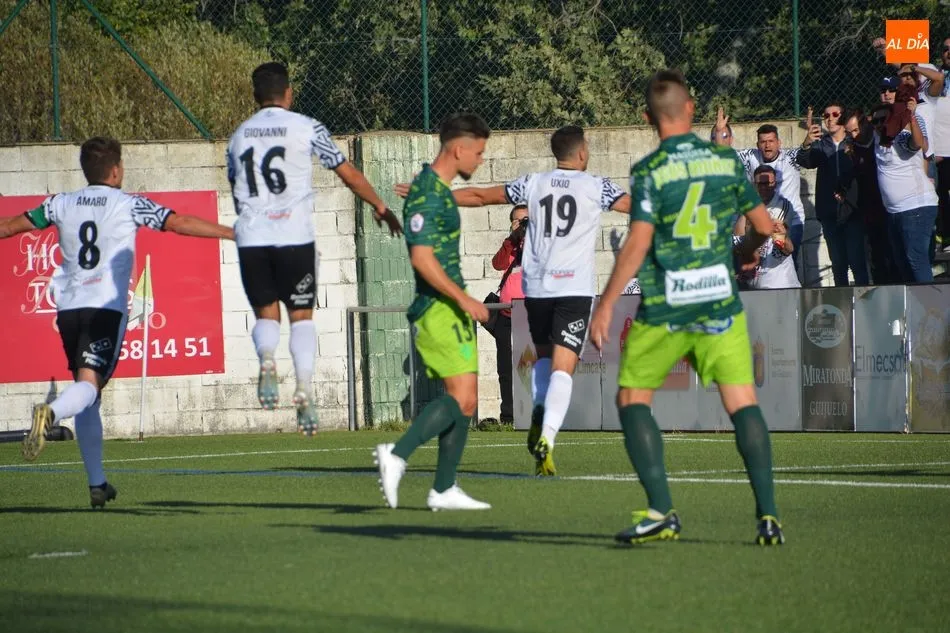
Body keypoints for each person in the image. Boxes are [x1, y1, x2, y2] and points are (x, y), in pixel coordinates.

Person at [588, 69, 784, 546]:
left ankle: (660, 509)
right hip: (719, 300)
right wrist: (746, 248)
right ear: (692, 109)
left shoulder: (651, 170)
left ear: (645, 118)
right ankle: (769, 516)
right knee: (742, 404)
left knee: (633, 400)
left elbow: (639, 240)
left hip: (667, 306)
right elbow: (762, 225)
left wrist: (608, 301)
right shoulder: (723, 162)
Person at [0, 137, 235, 507]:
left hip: (68, 311)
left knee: (88, 392)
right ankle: (51, 414)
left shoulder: (59, 203)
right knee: (88, 388)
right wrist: (231, 232)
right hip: (104, 309)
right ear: (115, 170)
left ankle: (97, 484)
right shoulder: (129, 205)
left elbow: (12, 226)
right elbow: (180, 223)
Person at [433, 125, 630, 476]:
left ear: (556, 153)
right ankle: (546, 436)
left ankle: (539, 420)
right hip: (572, 290)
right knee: (563, 368)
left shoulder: (533, 183)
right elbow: (634, 206)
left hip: (536, 289)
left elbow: (481, 197)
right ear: (582, 152)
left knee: (542, 360)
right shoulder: (595, 185)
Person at [227, 62, 401, 436]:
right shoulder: (307, 127)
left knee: (266, 316)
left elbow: (235, 187)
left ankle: (267, 358)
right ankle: (304, 385)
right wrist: (380, 205)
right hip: (295, 237)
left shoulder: (239, 136)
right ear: (288, 93)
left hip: (253, 238)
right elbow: (347, 171)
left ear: (255, 96)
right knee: (301, 317)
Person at [374, 113, 492, 511]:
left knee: (466, 400)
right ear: (458, 149)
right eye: (478, 153)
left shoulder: (438, 190)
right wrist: (464, 300)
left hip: (451, 308)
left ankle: (443, 489)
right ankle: (398, 453)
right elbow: (422, 258)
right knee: (461, 400)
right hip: (438, 308)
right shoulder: (426, 193)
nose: (479, 161)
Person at [714, 115, 805, 283]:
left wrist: (808, 141)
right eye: (763, 142)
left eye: (771, 141)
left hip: (788, 219)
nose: (767, 145)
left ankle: (787, 290)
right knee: (752, 261)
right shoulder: (751, 156)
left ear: (779, 143)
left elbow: (806, 152)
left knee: (784, 258)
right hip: (757, 218)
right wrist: (720, 132)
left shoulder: (790, 158)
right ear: (757, 144)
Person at [868, 90, 938, 283]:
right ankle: (915, 307)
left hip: (915, 207)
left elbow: (917, 144)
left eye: (882, 121)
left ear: (890, 120)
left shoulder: (899, 136)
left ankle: (929, 309)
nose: (878, 125)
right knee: (901, 263)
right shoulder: (877, 138)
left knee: (915, 259)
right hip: (894, 211)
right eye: (874, 122)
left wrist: (912, 117)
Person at [798, 103, 868, 286]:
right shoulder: (821, 145)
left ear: (843, 117)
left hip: (853, 211)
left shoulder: (853, 141)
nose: (829, 118)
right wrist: (806, 143)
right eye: (826, 115)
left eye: (835, 114)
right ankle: (842, 307)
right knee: (838, 264)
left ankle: (864, 305)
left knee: (857, 262)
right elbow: (805, 161)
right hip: (829, 212)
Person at [490, 205, 528, 426]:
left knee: (531, 366)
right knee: (505, 367)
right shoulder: (511, 246)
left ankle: (535, 413)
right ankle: (508, 415)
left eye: (526, 220)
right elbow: (498, 264)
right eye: (518, 220)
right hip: (506, 313)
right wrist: (512, 238)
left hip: (531, 315)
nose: (523, 224)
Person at [734, 165, 800, 289]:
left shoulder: (783, 206)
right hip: (756, 284)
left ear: (774, 184)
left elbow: (779, 240)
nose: (764, 187)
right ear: (754, 184)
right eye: (760, 184)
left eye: (768, 183)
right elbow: (738, 235)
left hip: (780, 282)